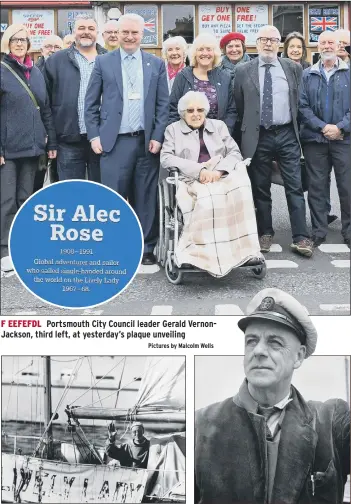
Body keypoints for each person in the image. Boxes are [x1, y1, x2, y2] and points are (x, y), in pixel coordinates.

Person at [195, 287, 350, 504]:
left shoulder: (330, 421)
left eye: (274, 342)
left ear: (299, 356)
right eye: (251, 341)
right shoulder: (200, 424)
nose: (258, 350)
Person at [85, 13, 169, 266]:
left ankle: (146, 247)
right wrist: (93, 135)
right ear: (116, 34)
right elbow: (90, 104)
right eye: (125, 32)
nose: (130, 37)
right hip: (114, 142)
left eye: (135, 33)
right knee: (114, 198)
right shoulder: (103, 62)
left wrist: (157, 136)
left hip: (146, 143)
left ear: (142, 35)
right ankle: (115, 245)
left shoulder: (155, 64)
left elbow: (163, 105)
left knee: (145, 197)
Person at [160, 91, 262, 276]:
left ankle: (247, 251)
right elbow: (166, 158)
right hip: (192, 178)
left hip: (220, 174)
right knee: (209, 200)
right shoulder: (173, 129)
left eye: (200, 109)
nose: (196, 114)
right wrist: (199, 171)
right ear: (183, 113)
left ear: (206, 111)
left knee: (242, 193)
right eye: (190, 110)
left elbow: (235, 153)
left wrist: (219, 171)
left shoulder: (219, 126)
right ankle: (200, 255)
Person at [234, 25, 313, 257]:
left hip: (287, 133)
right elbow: (240, 104)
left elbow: (298, 99)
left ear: (280, 44)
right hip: (259, 136)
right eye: (263, 39)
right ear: (256, 43)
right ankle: (265, 232)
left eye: (273, 40)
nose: (268, 43)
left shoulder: (292, 67)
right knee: (260, 188)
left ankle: (301, 236)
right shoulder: (243, 70)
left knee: (294, 186)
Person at [0, 24, 56, 273]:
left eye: (23, 40)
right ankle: (4, 250)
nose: (20, 44)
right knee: (7, 200)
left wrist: (51, 141)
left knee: (26, 199)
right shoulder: (2, 70)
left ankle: (21, 244)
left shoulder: (36, 71)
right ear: (7, 43)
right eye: (15, 40)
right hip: (9, 148)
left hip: (33, 148)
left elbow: (45, 109)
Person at [299, 30, 350, 248]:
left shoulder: (348, 72)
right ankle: (319, 231)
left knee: (347, 187)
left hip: (344, 139)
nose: (327, 46)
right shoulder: (307, 74)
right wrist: (323, 127)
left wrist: (340, 127)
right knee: (317, 187)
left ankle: (348, 232)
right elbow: (302, 106)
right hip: (315, 140)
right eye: (323, 43)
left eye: (331, 42)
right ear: (318, 46)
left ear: (339, 46)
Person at [45, 15, 106, 182]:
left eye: (91, 29)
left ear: (97, 33)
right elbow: (46, 105)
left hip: (103, 139)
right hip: (68, 140)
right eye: (81, 28)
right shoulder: (55, 61)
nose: (86, 32)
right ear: (74, 32)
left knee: (101, 193)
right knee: (70, 193)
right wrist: (51, 139)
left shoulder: (109, 60)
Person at [169, 33, 236, 134]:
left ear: (215, 53)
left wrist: (224, 133)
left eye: (209, 49)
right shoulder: (183, 76)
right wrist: (176, 135)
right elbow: (173, 109)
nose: (205, 53)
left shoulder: (225, 77)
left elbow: (231, 110)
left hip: (217, 138)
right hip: (186, 137)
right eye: (200, 49)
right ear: (194, 53)